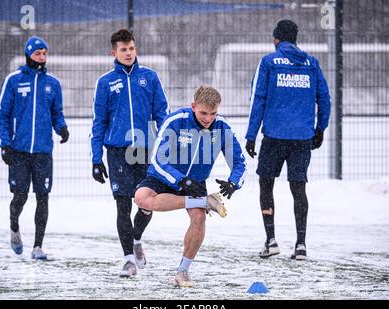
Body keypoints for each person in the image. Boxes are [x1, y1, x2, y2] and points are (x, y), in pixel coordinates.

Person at [135, 85, 247, 287]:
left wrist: (233, 182)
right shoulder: (176, 120)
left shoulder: (222, 127)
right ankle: (135, 241)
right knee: (141, 199)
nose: (208, 118)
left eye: (213, 113)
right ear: (193, 106)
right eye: (204, 113)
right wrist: (180, 179)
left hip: (195, 183)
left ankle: (183, 272)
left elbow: (240, 162)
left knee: (199, 218)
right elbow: (158, 158)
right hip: (165, 177)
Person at [245, 19, 331, 260]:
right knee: (298, 188)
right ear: (295, 39)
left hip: (274, 136)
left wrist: (251, 135)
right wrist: (320, 128)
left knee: (266, 184)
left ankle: (271, 240)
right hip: (302, 138)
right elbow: (324, 99)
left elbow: (258, 99)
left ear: (276, 39)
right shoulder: (311, 63)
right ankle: (301, 244)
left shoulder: (269, 62)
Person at [90, 29, 169, 278]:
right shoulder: (105, 82)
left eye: (131, 48)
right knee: (122, 206)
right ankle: (128, 261)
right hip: (117, 152)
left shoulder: (150, 77)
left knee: (147, 204)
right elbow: (98, 122)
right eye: (123, 49)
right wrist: (96, 158)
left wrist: (166, 145)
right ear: (113, 52)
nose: (128, 53)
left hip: (146, 149)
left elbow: (162, 115)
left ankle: (136, 239)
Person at [0, 36, 69, 260]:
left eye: (45, 53)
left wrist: (61, 127)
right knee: (20, 196)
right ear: (28, 54)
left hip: (43, 152)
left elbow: (57, 112)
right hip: (18, 151)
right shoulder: (14, 80)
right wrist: (5, 144)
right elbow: (1, 114)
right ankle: (14, 226)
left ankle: (38, 247)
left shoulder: (52, 83)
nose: (42, 57)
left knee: (43, 197)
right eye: (38, 53)